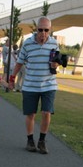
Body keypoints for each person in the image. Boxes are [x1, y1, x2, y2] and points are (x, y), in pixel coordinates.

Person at [9, 17, 60, 154]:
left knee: (46, 112)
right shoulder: (27, 44)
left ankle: (42, 141)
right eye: (40, 30)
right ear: (36, 29)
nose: (43, 33)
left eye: (46, 30)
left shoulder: (54, 43)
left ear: (50, 30)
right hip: (30, 85)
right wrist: (12, 79)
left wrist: (55, 64)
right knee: (30, 114)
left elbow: (56, 64)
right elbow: (19, 63)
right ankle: (30, 140)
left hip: (49, 85)